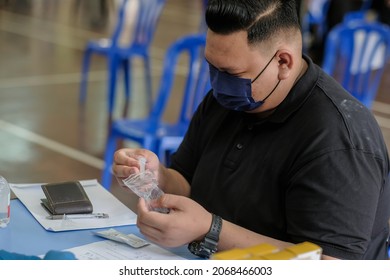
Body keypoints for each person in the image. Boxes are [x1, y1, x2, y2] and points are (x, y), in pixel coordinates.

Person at [113, 0, 390, 260]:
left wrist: (210, 230)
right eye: (212, 67)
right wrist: (157, 176)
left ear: (283, 62)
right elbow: (187, 183)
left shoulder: (338, 141)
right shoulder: (226, 100)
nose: (218, 83)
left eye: (231, 74)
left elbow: (327, 264)